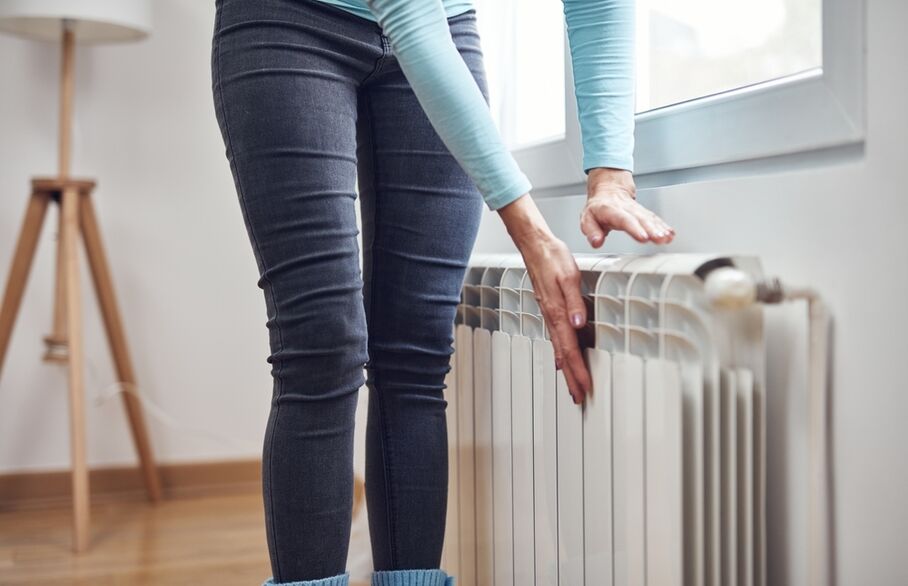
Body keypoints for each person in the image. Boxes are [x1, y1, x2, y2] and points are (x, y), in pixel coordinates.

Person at [210, 0, 674, 584]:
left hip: (444, 26)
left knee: (416, 352)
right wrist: (529, 229)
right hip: (289, 22)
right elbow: (408, 12)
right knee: (323, 344)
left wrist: (609, 173)